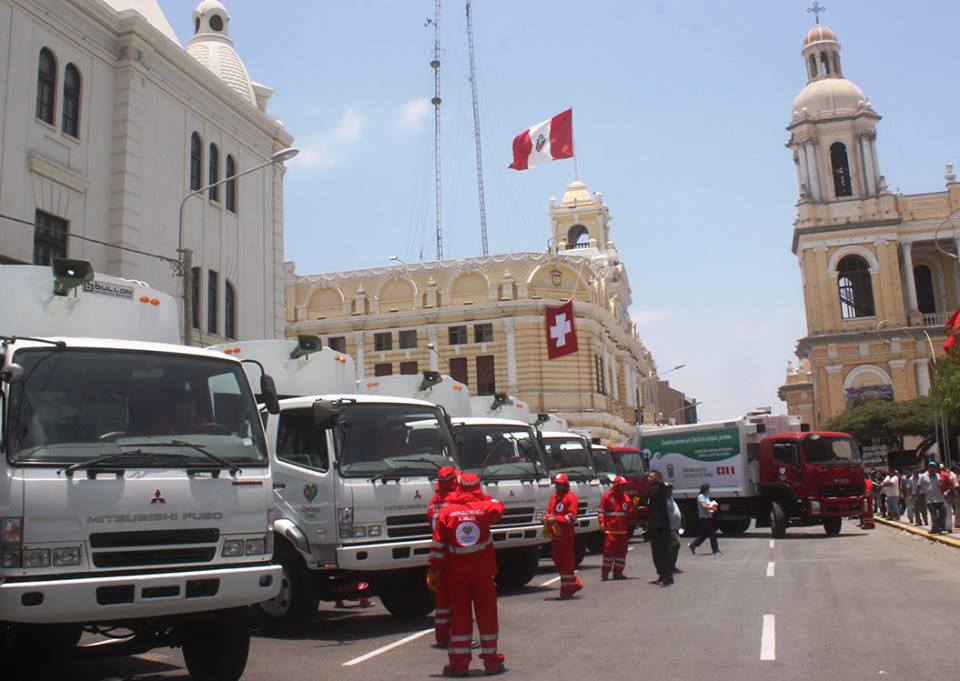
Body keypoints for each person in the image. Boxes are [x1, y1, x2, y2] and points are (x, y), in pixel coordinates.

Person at [429, 472, 505, 677]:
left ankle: (459, 666)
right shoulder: (485, 508)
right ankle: (492, 663)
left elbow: (437, 546)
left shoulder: (447, 511)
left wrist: (433, 568)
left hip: (457, 576)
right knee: (487, 618)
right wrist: (480, 498)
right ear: (478, 488)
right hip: (483, 575)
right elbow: (499, 506)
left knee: (460, 620)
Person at [427, 466, 460, 647]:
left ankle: (441, 637)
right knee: (457, 600)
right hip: (455, 556)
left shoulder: (433, 502)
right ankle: (456, 637)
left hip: (438, 555)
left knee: (442, 601)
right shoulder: (455, 502)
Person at [543, 473, 583, 598]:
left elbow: (571, 517)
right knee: (558, 562)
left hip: (566, 537)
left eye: (560, 484)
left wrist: (554, 518)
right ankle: (574, 583)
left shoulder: (571, 498)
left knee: (567, 563)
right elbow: (548, 512)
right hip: (555, 536)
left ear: (566, 484)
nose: (557, 486)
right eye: (556, 484)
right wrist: (545, 518)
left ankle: (566, 590)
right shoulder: (554, 498)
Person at [598, 475, 630, 580]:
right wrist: (602, 523)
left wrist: (634, 507)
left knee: (621, 553)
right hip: (610, 530)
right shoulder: (607, 497)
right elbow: (601, 511)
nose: (623, 487)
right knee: (609, 553)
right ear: (616, 485)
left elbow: (629, 513)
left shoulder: (626, 497)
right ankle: (605, 573)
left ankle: (618, 573)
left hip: (622, 531)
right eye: (621, 485)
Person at [646, 470, 673, 586]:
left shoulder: (661, 488)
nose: (649, 478)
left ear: (657, 477)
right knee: (656, 553)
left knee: (663, 552)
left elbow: (666, 487)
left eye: (651, 476)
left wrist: (661, 482)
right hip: (654, 525)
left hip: (661, 525)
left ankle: (667, 577)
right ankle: (662, 575)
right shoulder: (651, 490)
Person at [689, 483, 720, 555]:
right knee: (712, 534)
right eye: (708, 489)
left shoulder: (706, 496)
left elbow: (708, 504)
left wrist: (714, 508)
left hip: (708, 517)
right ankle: (715, 550)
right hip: (703, 518)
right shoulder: (701, 496)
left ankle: (693, 545)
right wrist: (711, 507)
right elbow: (703, 506)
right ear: (705, 489)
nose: (709, 491)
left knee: (705, 534)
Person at [919, 462, 946, 534]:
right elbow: (919, 486)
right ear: (928, 467)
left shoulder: (937, 475)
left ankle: (935, 528)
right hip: (929, 499)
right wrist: (918, 495)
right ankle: (938, 529)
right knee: (934, 515)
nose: (933, 468)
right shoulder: (923, 476)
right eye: (931, 467)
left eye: (934, 467)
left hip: (939, 498)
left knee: (942, 514)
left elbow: (941, 484)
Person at [666, 483, 683, 575]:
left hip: (675, 527)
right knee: (676, 544)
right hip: (669, 527)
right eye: (668, 489)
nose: (670, 491)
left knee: (675, 546)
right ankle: (669, 566)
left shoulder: (671, 499)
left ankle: (672, 566)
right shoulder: (664, 500)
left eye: (671, 489)